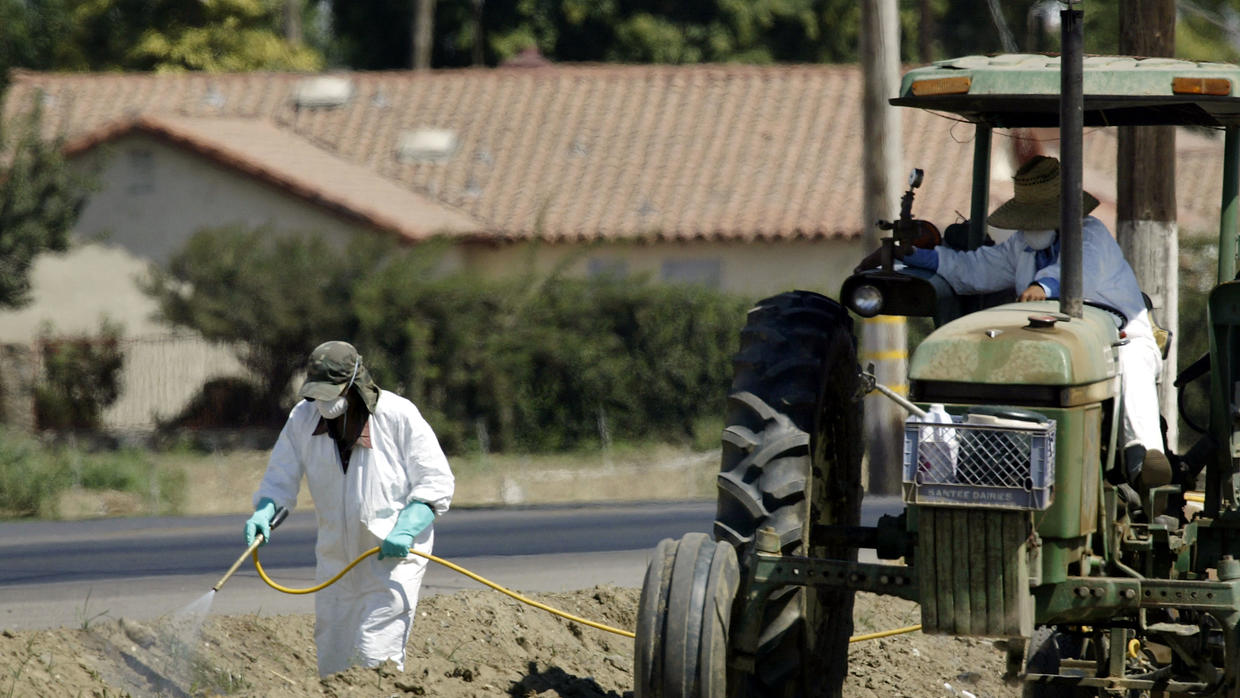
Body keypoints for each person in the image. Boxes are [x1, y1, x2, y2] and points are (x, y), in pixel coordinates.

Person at [900, 155, 1171, 492]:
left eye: (1039, 218)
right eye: (1028, 218)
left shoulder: (1092, 236)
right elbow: (976, 269)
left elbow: (1078, 271)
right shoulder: (1022, 245)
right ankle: (986, 464)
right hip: (1045, 343)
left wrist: (1043, 287)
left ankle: (1143, 460)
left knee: (1132, 364)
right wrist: (924, 257)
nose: (1032, 226)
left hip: (1118, 335)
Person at [243, 340, 454, 677]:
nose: (323, 403)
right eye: (317, 393)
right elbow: (280, 479)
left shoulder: (397, 415)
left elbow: (435, 482)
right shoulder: (302, 417)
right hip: (335, 563)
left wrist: (405, 528)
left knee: (374, 658)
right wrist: (264, 513)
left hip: (390, 561)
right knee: (332, 662)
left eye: (332, 392)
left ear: (356, 382)